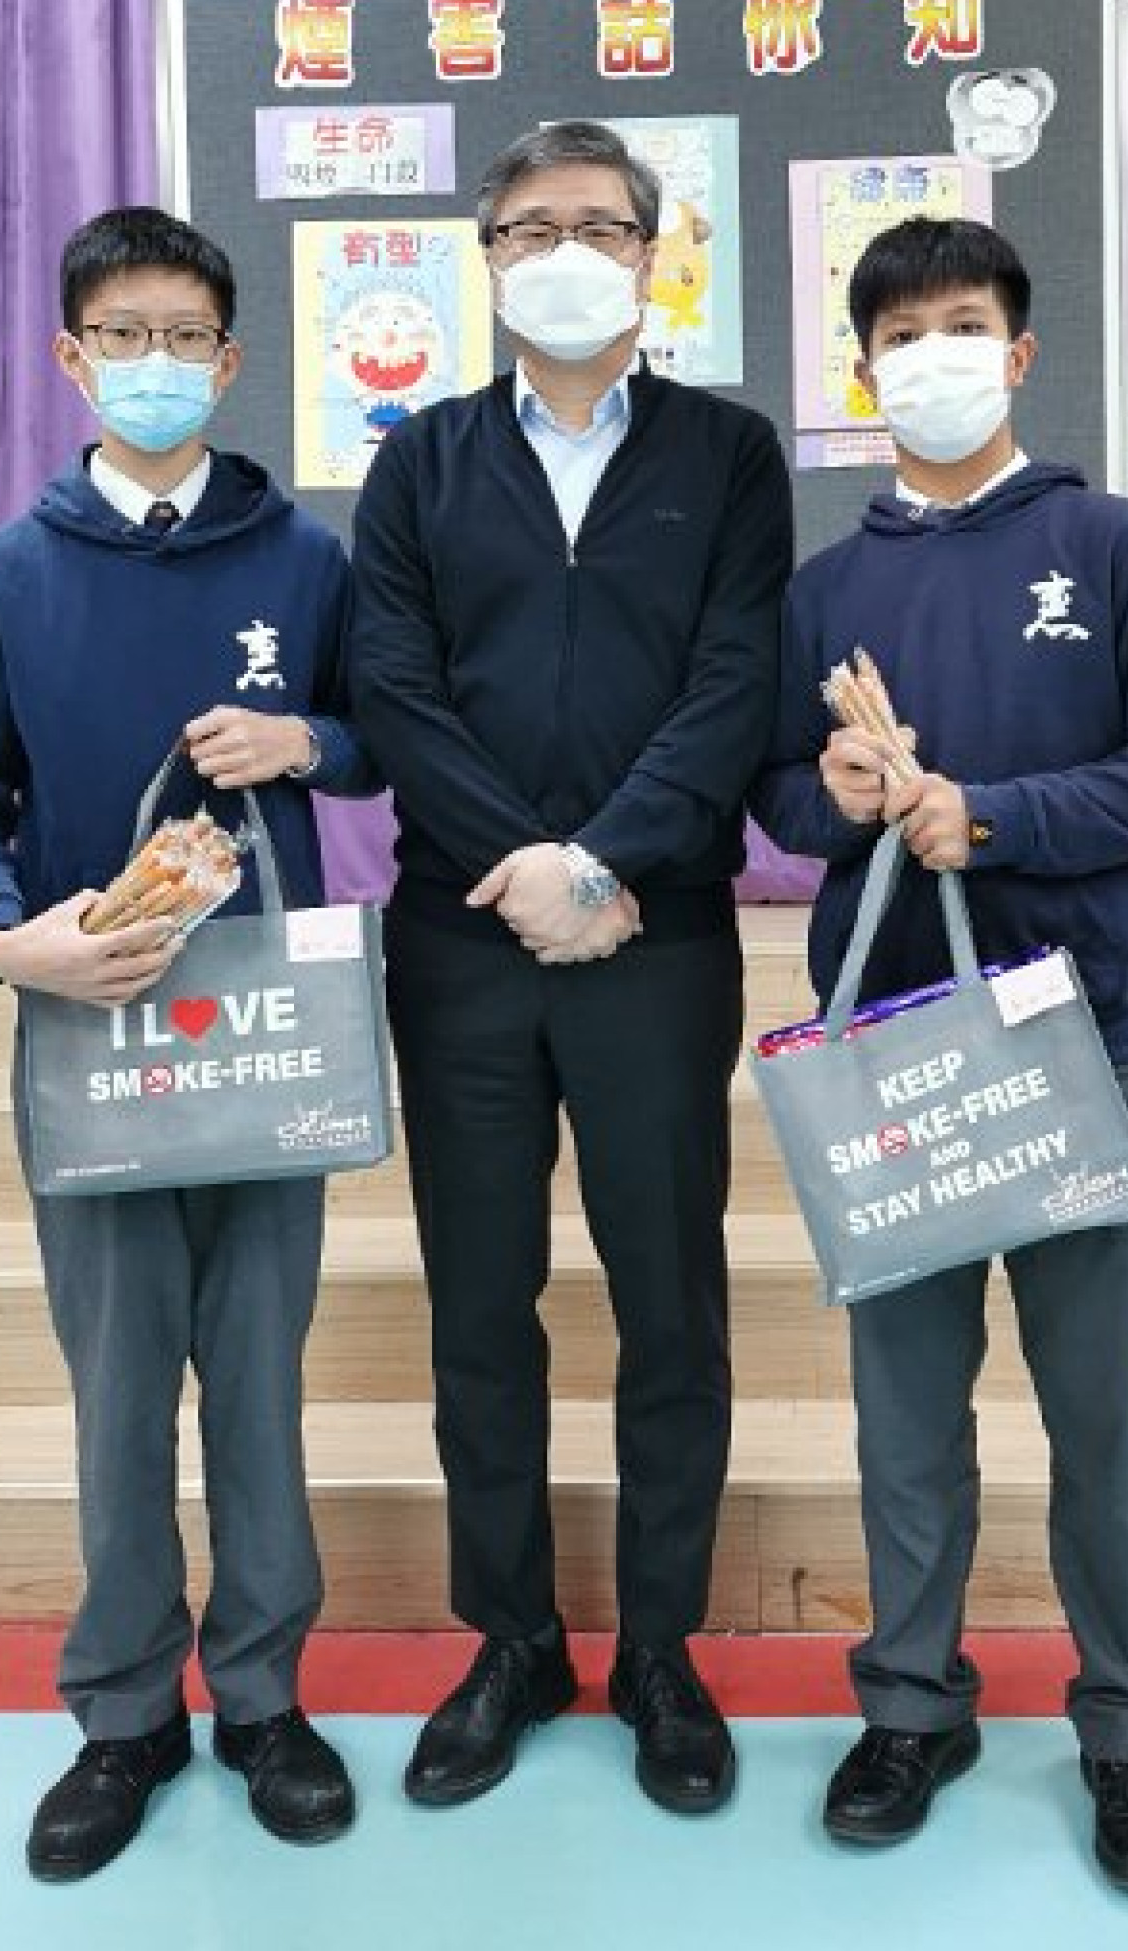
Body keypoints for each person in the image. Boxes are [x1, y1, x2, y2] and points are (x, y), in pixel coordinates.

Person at [750, 217, 1128, 1897]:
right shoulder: (826, 588)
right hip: (892, 1072)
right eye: (901, 336)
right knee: (904, 1425)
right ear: (863, 370)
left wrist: (999, 814)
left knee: (1107, 1423)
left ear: (1020, 352)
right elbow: (777, 794)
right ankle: (910, 1705)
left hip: (1090, 1053)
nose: (933, 357)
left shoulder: (1111, 545)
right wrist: (844, 793)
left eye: (962, 325)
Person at [0, 207, 379, 1882]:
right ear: (71, 356)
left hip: (264, 1030)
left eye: (185, 337)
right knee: (119, 1386)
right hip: (88, 1022)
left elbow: (380, 733)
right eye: (124, 336)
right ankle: (124, 1712)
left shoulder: (304, 559)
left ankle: (262, 1696)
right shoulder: (2, 575)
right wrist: (4, 935)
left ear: (230, 361)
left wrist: (306, 739)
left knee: (257, 1372)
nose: (156, 363)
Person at [349, 120, 793, 1816]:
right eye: (530, 226)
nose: (564, 252)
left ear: (651, 255)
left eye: (598, 225)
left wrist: (604, 861)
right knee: (481, 1304)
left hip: (653, 936)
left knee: (670, 1299)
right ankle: (515, 1638)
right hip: (462, 944)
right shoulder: (421, 460)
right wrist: (524, 868)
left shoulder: (728, 453)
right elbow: (395, 689)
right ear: (486, 258)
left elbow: (734, 680)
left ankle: (661, 1646)